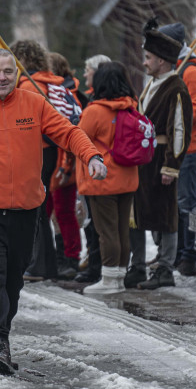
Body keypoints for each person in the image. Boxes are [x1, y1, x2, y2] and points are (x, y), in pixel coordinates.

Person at [0, 48, 107, 375]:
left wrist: (92, 156)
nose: (2, 77)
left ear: (16, 74)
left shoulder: (33, 104)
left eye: (8, 71)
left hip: (26, 212)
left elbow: (69, 132)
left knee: (13, 282)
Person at [10, 39, 82, 282]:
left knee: (36, 208)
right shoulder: (52, 83)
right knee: (43, 208)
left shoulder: (28, 86)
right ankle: (46, 262)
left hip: (36, 151)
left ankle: (39, 264)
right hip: (51, 152)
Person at [130, 18, 193, 291]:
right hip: (145, 159)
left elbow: (179, 130)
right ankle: (139, 266)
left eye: (148, 57)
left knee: (166, 215)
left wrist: (171, 166)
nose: (144, 63)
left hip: (161, 160)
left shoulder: (176, 88)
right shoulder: (153, 84)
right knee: (142, 213)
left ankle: (166, 267)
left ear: (162, 61)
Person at [75, 61, 141, 294]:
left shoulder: (94, 111)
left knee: (107, 232)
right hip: (128, 177)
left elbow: (78, 141)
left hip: (102, 180)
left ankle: (110, 280)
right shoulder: (131, 107)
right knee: (122, 230)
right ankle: (119, 276)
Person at [171, 27, 196, 278]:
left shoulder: (191, 72)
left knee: (187, 205)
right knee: (177, 205)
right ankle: (178, 255)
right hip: (177, 148)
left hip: (189, 148)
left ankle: (188, 257)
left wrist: (170, 116)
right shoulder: (177, 70)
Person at [74, 53, 112, 286]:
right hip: (98, 172)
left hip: (95, 172)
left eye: (88, 70)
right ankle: (98, 266)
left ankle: (97, 269)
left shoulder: (96, 107)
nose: (85, 74)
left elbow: (81, 136)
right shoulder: (94, 100)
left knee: (95, 224)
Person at [47, 52, 84, 279]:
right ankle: (59, 257)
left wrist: (66, 165)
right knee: (51, 212)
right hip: (53, 161)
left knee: (64, 211)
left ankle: (70, 257)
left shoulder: (68, 95)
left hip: (65, 162)